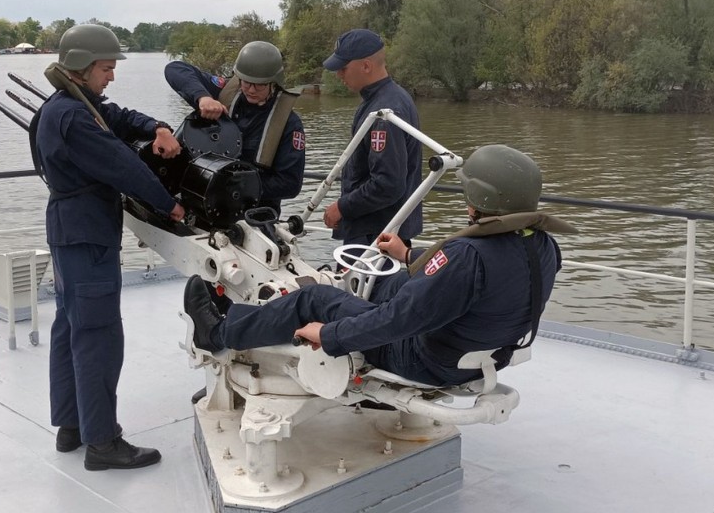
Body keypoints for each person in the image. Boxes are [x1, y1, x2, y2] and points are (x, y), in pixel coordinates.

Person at [182, 145, 573, 387]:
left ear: (475, 198)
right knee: (384, 282)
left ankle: (219, 332)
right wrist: (408, 257)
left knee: (316, 297)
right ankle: (338, 299)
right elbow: (464, 289)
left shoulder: (466, 257)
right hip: (482, 356)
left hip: (425, 361)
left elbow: (399, 322)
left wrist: (332, 334)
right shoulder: (544, 246)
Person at [33, 24, 186, 471]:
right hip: (87, 234)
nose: (111, 76)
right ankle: (102, 443)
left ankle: (72, 426)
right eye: (106, 68)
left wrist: (156, 126)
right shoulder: (75, 118)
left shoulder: (66, 105)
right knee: (99, 335)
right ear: (81, 67)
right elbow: (121, 163)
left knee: (70, 326)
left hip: (68, 232)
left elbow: (116, 116)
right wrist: (170, 205)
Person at [165, 41, 305, 215]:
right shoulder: (225, 92)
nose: (251, 90)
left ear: (274, 83)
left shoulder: (289, 124)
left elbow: (290, 184)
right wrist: (203, 98)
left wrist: (235, 184)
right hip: (205, 201)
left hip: (253, 211)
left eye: (259, 85)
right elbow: (174, 69)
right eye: (246, 82)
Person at [320, 29, 423, 249]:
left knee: (363, 285)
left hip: (375, 237)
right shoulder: (389, 99)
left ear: (366, 66)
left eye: (343, 68)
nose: (339, 75)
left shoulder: (385, 112)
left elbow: (388, 184)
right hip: (381, 232)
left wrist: (342, 207)